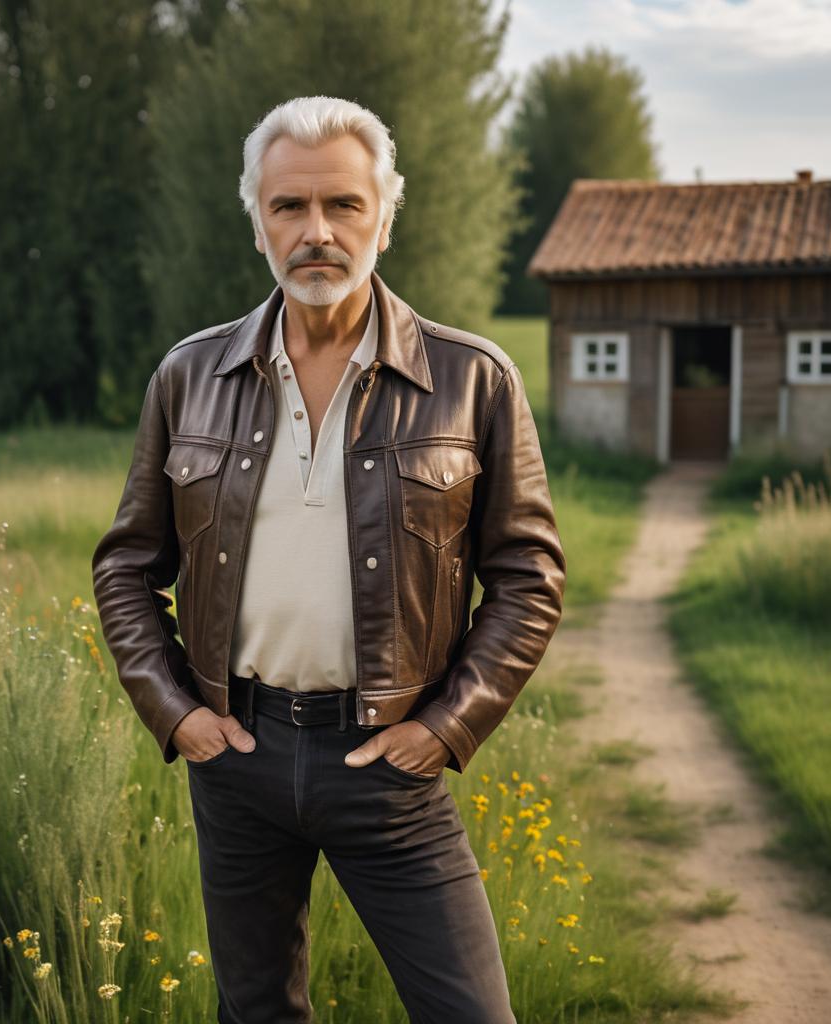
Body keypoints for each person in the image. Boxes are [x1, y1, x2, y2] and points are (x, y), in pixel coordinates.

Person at [92, 94, 566, 1024]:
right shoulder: (189, 376)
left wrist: (446, 728)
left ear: (385, 218)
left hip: (389, 768)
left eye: (344, 205)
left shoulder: (474, 379)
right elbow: (125, 566)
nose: (317, 232)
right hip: (237, 757)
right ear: (258, 223)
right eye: (290, 207)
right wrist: (177, 713)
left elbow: (528, 577)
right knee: (257, 1013)